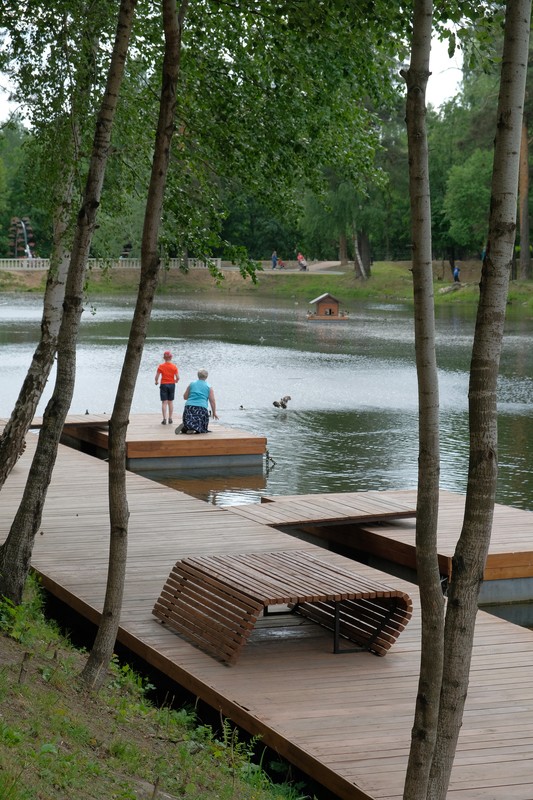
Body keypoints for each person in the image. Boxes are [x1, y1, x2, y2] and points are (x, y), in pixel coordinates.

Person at [176, 369, 219, 434]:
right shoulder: (209, 387)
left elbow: (185, 397)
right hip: (201, 409)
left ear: (198, 376)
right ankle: (194, 428)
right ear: (206, 377)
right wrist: (214, 412)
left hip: (189, 407)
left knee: (189, 420)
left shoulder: (192, 384)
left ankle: (187, 427)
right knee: (202, 428)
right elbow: (212, 401)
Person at [154, 350, 179, 425]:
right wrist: (175, 381)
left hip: (164, 385)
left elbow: (156, 377)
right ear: (171, 357)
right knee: (170, 402)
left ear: (164, 358)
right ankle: (170, 418)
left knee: (164, 402)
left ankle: (164, 419)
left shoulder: (161, 366)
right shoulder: (174, 367)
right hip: (171, 385)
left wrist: (156, 381)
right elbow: (178, 377)